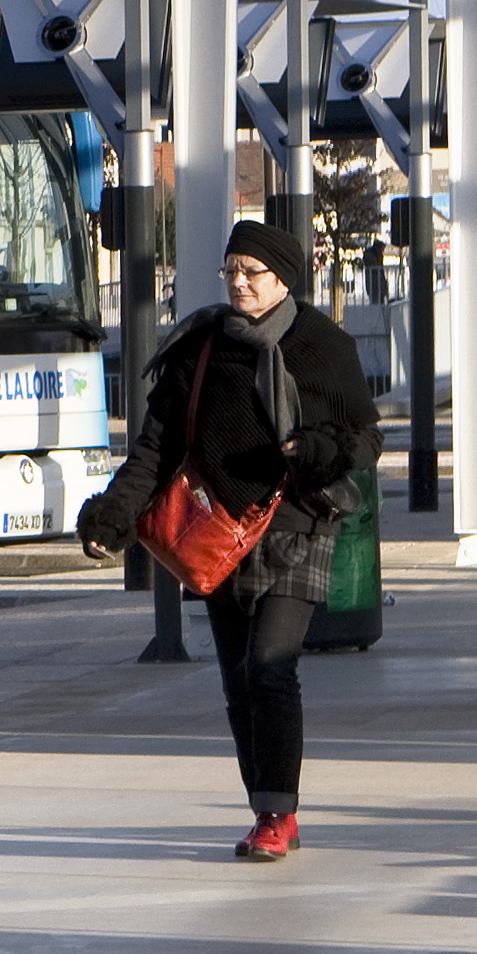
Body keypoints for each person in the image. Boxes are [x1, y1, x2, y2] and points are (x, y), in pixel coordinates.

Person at [82, 218, 375, 859]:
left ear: (283, 280)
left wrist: (321, 448)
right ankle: (266, 807)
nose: (238, 283)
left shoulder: (322, 346)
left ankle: (278, 814)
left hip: (296, 524)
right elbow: (156, 450)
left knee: (270, 669)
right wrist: (113, 516)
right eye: (231, 271)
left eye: (251, 273)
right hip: (216, 533)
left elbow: (365, 435)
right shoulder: (201, 347)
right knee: (238, 681)